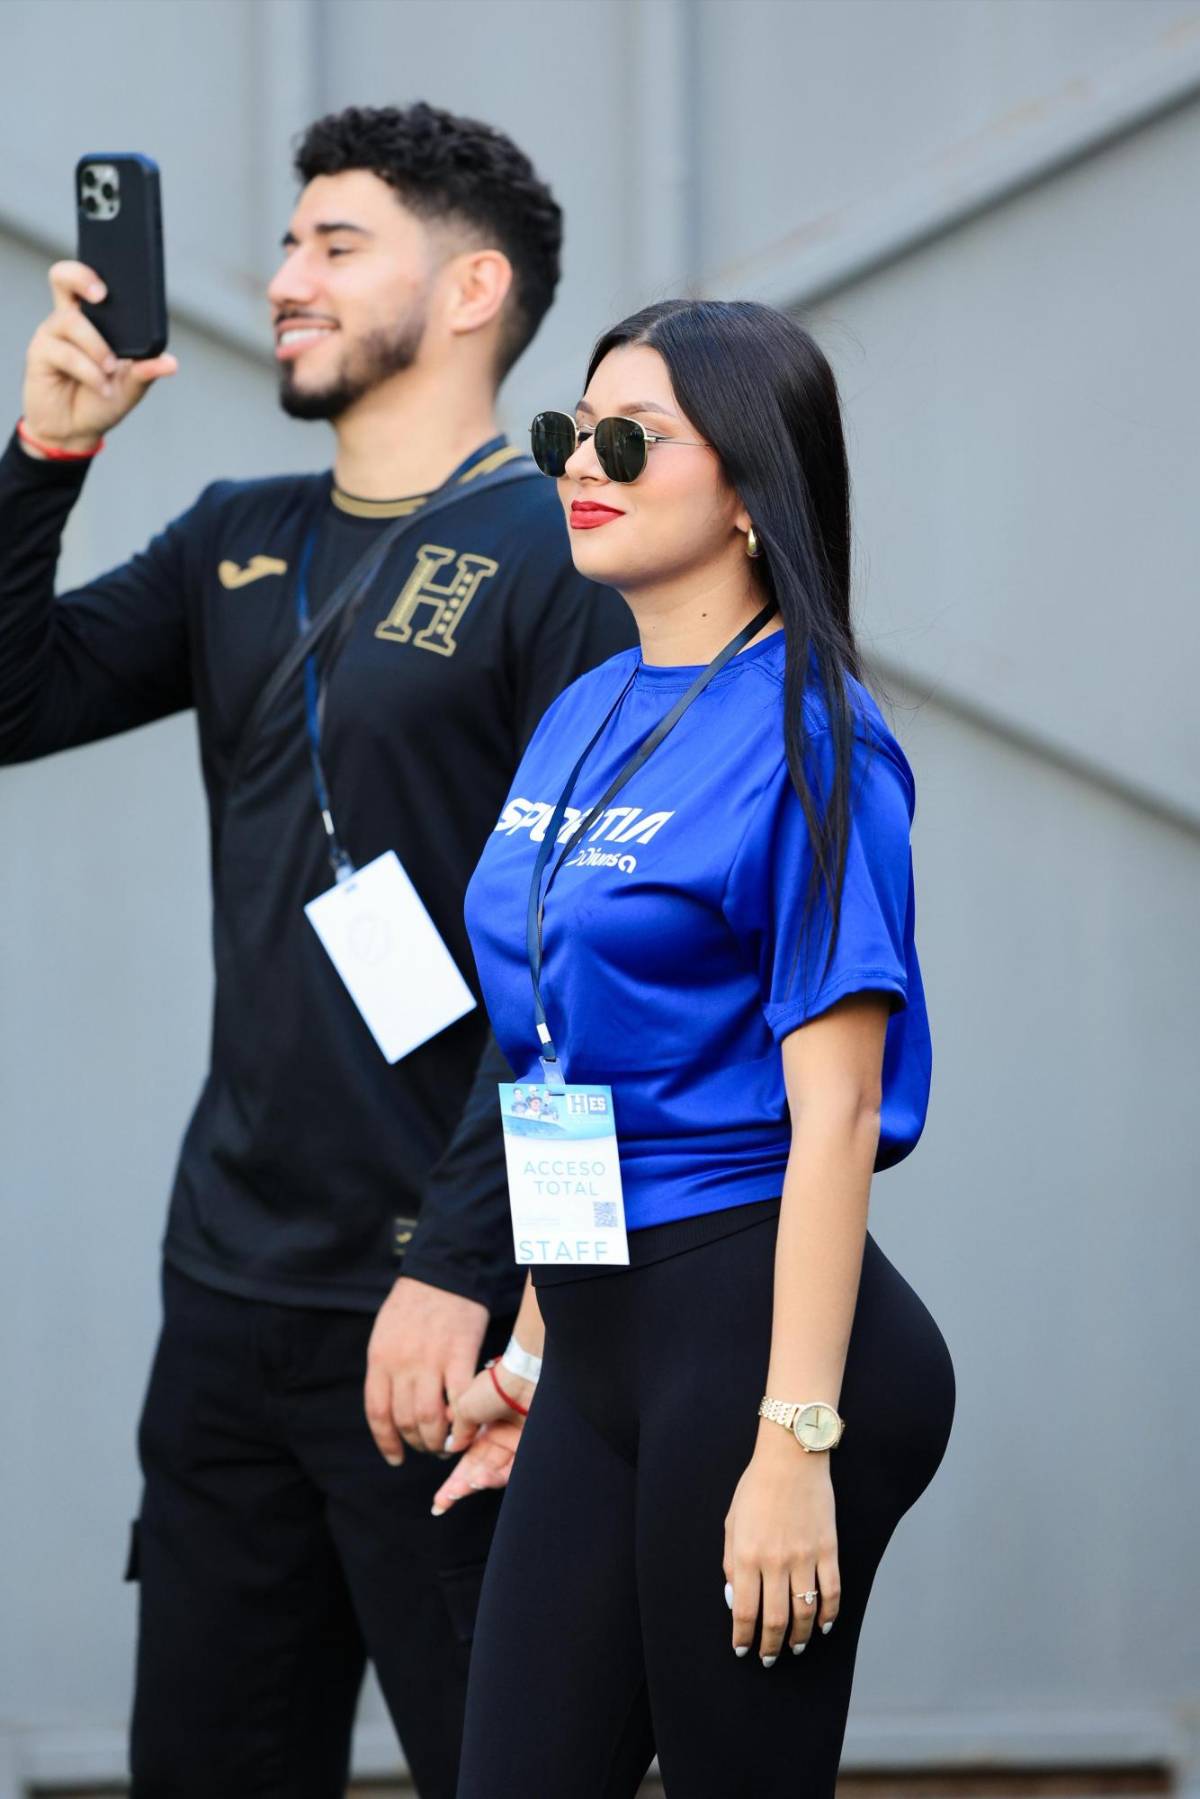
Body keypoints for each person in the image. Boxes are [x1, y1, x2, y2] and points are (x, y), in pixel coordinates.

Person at [0, 103, 632, 1799]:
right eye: (288, 244)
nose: (284, 279)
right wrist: (44, 458)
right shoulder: (231, 532)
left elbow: (591, 971)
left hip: (445, 1300)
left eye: (336, 245)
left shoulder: (560, 562)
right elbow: (13, 696)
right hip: (225, 1296)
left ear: (476, 285)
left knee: (510, 1766)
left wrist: (481, 1277)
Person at [433, 299, 957, 1797]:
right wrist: (533, 1345)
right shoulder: (589, 708)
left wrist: (797, 1440)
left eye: (630, 438)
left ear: (749, 484)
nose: (579, 466)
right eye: (566, 436)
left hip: (757, 1331)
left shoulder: (817, 740)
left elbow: (839, 1110)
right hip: (600, 1338)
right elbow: (563, 1060)